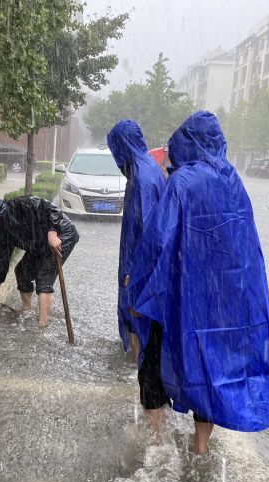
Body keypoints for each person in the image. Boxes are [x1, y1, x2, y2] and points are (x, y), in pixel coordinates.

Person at [127, 111, 269, 454]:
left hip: (181, 296)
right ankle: (200, 445)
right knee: (210, 367)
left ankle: (156, 442)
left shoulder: (183, 182)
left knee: (154, 363)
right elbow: (247, 246)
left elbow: (158, 239)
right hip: (222, 302)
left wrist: (137, 285)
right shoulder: (233, 180)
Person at [0, 190, 79, 328]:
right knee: (22, 271)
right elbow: (1, 257)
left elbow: (51, 208)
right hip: (39, 244)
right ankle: (27, 311)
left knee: (44, 277)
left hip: (62, 235)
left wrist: (52, 232)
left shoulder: (19, 205)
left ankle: (42, 325)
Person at [107, 120, 164, 364]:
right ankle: (136, 366)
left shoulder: (142, 178)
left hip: (139, 266)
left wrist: (135, 270)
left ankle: (138, 371)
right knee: (137, 313)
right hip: (136, 261)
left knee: (137, 312)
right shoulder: (145, 169)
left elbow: (150, 229)